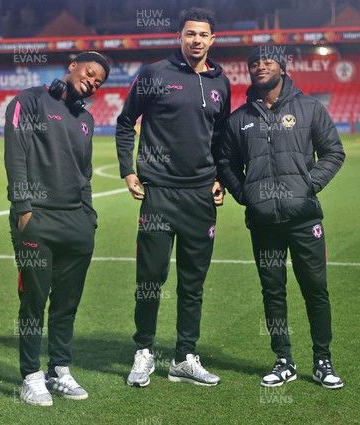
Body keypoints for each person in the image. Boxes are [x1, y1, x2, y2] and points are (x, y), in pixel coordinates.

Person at [216, 46, 345, 389]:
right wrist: (244, 194)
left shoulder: (310, 108)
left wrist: (308, 185)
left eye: (267, 61)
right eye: (254, 63)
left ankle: (323, 361)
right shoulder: (238, 118)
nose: (260, 66)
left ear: (283, 69)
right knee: (273, 292)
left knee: (315, 290)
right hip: (263, 222)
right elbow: (226, 163)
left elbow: (333, 152)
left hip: (303, 218)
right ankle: (283, 359)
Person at [115, 7, 230, 387]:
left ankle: (184, 357)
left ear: (213, 40)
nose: (196, 40)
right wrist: (128, 170)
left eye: (203, 35)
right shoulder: (154, 74)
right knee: (150, 277)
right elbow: (124, 122)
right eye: (190, 34)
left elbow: (221, 138)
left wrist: (220, 179)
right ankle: (144, 352)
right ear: (179, 37)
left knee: (193, 282)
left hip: (200, 197)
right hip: (159, 193)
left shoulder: (220, 82)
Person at [4, 51, 109, 406]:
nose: (92, 82)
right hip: (38, 221)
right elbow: (15, 154)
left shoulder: (87, 120)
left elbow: (85, 174)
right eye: (90, 72)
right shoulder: (30, 100)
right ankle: (31, 376)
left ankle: (59, 370)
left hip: (77, 224)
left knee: (66, 305)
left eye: (99, 81)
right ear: (72, 65)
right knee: (33, 303)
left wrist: (89, 218)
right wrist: (23, 211)